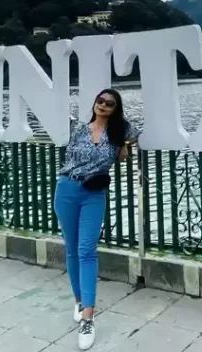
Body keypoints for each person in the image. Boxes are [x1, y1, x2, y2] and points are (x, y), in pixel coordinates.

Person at [55, 88, 139, 350]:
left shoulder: (118, 132)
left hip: (93, 194)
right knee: (72, 250)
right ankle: (79, 301)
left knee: (87, 251)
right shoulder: (79, 129)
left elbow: (137, 133)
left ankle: (88, 317)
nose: (103, 105)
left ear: (115, 109)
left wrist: (124, 146)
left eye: (110, 104)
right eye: (100, 101)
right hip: (66, 189)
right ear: (94, 103)